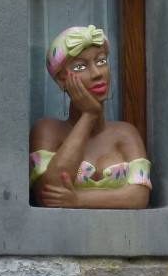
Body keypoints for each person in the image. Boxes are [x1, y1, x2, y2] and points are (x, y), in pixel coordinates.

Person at [29, 25, 151, 209]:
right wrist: (89, 116)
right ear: (62, 80)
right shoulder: (48, 130)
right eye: (80, 66)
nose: (97, 73)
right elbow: (49, 192)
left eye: (101, 61)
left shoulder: (126, 133)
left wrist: (78, 200)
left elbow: (140, 196)